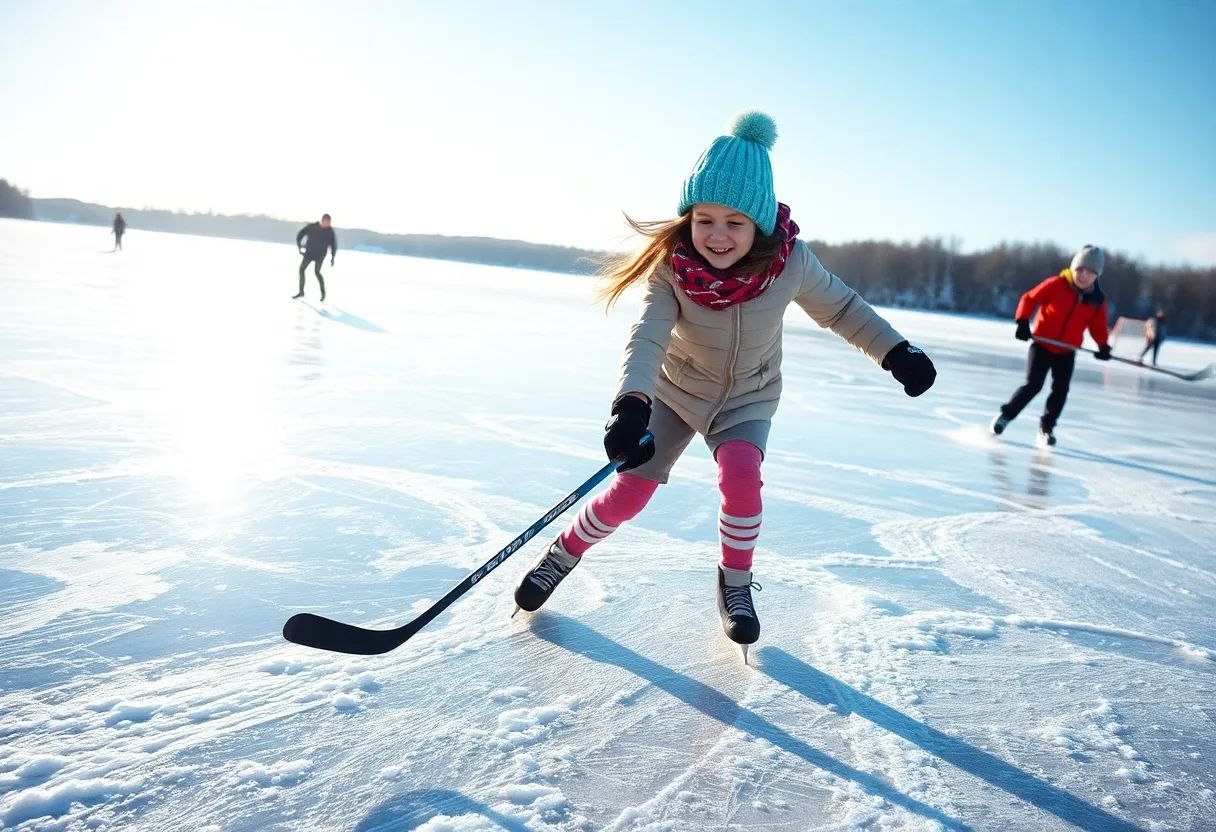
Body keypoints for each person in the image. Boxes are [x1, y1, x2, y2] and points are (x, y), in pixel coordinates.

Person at [511, 112, 937, 657]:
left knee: (741, 478)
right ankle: (563, 554)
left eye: (735, 222)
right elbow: (648, 335)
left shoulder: (791, 263)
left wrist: (896, 351)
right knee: (629, 493)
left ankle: (735, 584)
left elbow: (843, 310)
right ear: (688, 218)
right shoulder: (673, 268)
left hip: (748, 397)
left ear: (759, 223)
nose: (717, 234)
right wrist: (632, 405)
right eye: (704, 219)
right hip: (676, 393)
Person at [990, 245, 1112, 447]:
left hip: (1067, 351)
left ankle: (1046, 428)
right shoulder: (1057, 284)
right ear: (1073, 268)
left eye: (1090, 272)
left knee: (1061, 390)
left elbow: (1098, 326)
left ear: (1096, 276)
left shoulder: (1097, 301)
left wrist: (1103, 346)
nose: (1083, 275)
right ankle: (1005, 416)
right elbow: (1029, 299)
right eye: (1080, 269)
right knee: (1033, 385)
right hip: (1043, 344)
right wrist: (1022, 321)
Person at [293, 214, 337, 301]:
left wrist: (333, 257)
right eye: (326, 222)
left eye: (329, 222)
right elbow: (301, 234)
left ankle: (323, 294)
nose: (327, 224)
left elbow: (333, 245)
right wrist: (299, 245)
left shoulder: (330, 232)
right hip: (309, 253)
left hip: (320, 255)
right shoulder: (312, 227)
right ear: (322, 220)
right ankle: (301, 292)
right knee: (301, 269)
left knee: (317, 272)